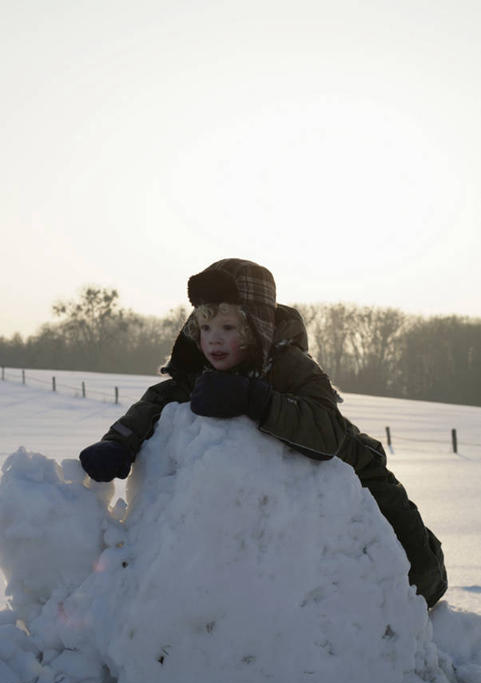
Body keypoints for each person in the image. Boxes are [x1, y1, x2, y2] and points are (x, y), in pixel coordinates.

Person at [79, 258, 447, 608]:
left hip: (362, 475)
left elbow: (327, 431)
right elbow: (156, 401)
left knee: (420, 577)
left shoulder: (291, 366)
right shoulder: (199, 374)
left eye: (228, 328)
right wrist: (119, 441)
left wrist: (256, 400)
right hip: (283, 526)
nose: (214, 341)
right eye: (205, 328)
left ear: (256, 327)